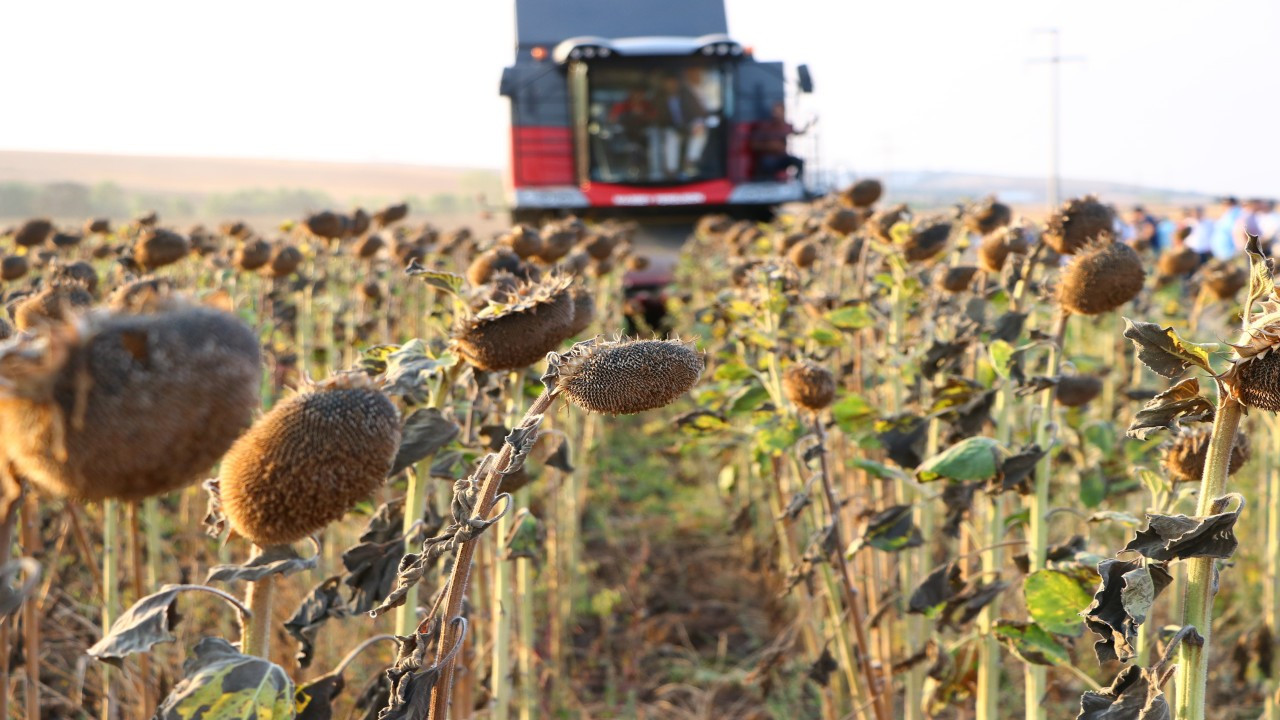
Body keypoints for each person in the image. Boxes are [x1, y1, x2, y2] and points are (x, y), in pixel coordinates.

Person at [654, 73, 708, 179]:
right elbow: (658, 118)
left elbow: (699, 113)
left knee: (700, 130)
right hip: (670, 128)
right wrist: (672, 127)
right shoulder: (659, 98)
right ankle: (671, 170)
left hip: (688, 126)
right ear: (664, 84)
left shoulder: (687, 94)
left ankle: (690, 162)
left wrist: (696, 124)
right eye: (668, 83)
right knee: (671, 137)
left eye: (673, 83)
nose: (671, 86)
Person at [750, 101, 809, 181]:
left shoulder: (786, 126)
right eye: (775, 112)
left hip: (782, 157)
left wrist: (808, 125)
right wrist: (769, 146)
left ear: (783, 112)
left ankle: (797, 182)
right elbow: (754, 145)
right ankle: (768, 183)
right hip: (769, 158)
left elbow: (797, 132)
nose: (776, 114)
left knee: (799, 162)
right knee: (767, 163)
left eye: (779, 112)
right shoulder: (765, 127)